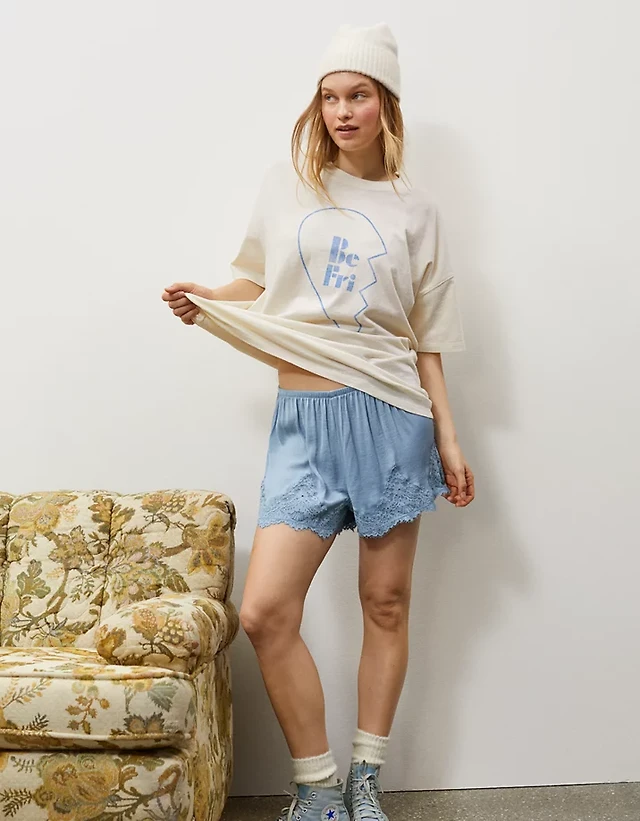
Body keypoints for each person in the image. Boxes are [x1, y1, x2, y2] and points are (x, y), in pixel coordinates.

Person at [162, 21, 475, 821]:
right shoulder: (287, 185)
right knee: (265, 611)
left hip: (391, 416)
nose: (342, 111)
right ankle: (317, 787)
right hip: (303, 420)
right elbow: (255, 281)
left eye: (358, 95)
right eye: (330, 97)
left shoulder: (416, 209)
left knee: (385, 602)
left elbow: (427, 337)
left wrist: (448, 437)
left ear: (386, 104)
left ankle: (366, 778)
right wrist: (209, 299)